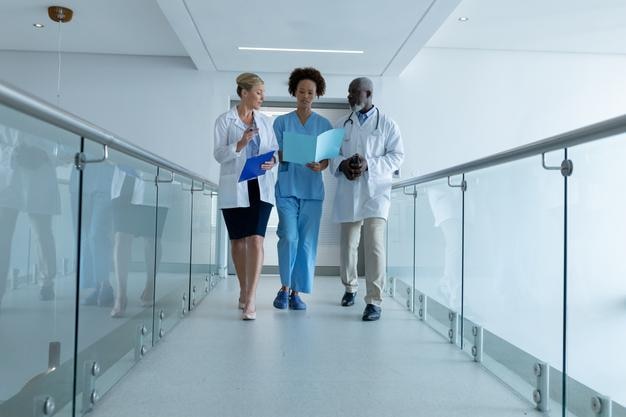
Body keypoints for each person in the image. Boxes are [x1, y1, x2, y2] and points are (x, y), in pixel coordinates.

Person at [330, 77, 404, 321]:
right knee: (349, 245)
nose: (349, 96)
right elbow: (332, 155)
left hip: (376, 192)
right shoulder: (342, 124)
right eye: (349, 92)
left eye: (354, 92)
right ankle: (350, 287)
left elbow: (397, 157)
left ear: (368, 93)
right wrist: (343, 165)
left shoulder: (387, 124)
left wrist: (368, 165)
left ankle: (374, 300)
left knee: (374, 245)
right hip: (349, 190)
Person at [214, 73, 278, 320]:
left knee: (256, 241)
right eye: (259, 92)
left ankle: (250, 299)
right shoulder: (224, 121)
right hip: (235, 186)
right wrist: (239, 145)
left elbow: (273, 151)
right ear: (244, 93)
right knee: (238, 243)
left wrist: (272, 161)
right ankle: (243, 289)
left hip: (260, 186)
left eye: (263, 92)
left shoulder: (265, 121)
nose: (262, 96)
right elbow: (219, 155)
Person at [272, 67, 333, 311]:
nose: (305, 96)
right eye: (301, 91)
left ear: (316, 94)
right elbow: (275, 151)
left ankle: (296, 292)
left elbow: (328, 159)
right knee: (289, 236)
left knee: (307, 243)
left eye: (310, 92)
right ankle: (284, 288)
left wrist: (321, 165)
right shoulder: (281, 122)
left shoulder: (324, 124)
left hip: (312, 191)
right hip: (287, 188)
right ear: (293, 92)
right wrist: (288, 153)